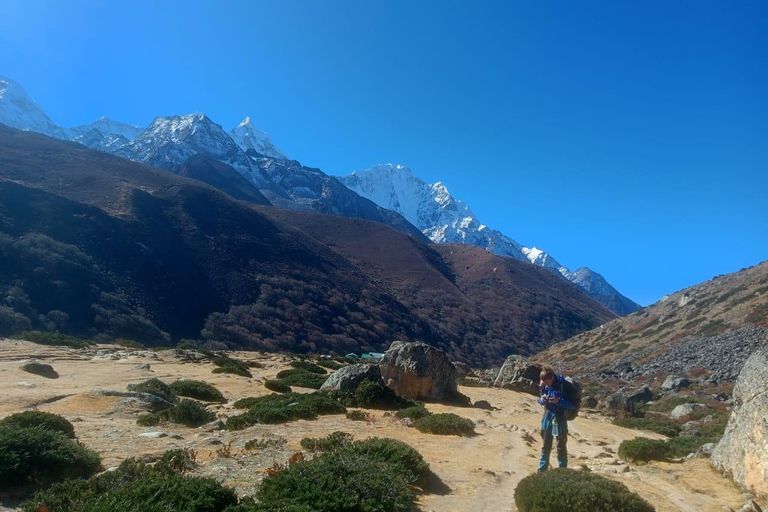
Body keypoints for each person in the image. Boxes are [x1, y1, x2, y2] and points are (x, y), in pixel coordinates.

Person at [537, 366, 575, 472]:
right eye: (543, 381)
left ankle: (562, 470)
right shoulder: (544, 385)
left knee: (561, 444)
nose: (545, 384)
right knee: (545, 444)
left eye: (546, 382)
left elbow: (572, 405)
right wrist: (542, 400)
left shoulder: (565, 386)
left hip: (560, 418)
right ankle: (542, 470)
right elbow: (539, 400)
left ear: (552, 378)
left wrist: (558, 401)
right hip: (547, 416)